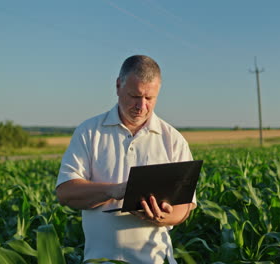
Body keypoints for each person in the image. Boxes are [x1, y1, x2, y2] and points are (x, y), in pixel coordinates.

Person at [56, 55, 196, 264]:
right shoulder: (89, 132)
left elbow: (186, 206)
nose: (141, 106)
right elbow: (65, 192)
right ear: (118, 85)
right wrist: (114, 190)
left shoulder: (173, 140)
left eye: (149, 98)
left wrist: (161, 217)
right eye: (134, 96)